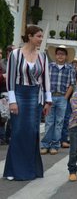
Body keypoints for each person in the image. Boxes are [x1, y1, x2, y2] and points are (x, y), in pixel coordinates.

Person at [3, 25, 52, 181]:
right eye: (38, 36)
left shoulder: (42, 56)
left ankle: (31, 170)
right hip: (19, 94)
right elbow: (10, 79)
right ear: (29, 36)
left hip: (35, 97)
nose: (40, 39)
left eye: (41, 36)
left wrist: (47, 101)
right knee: (17, 132)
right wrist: (12, 102)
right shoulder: (15, 54)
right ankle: (13, 170)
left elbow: (45, 80)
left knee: (32, 133)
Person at [40, 45, 76, 155]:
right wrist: (46, 97)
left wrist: (65, 97)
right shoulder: (49, 66)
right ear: (55, 55)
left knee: (59, 122)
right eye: (58, 54)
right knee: (49, 122)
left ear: (66, 56)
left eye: (63, 54)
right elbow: (44, 82)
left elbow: (72, 84)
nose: (60, 56)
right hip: (50, 97)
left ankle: (55, 145)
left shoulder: (70, 68)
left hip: (62, 97)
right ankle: (45, 144)